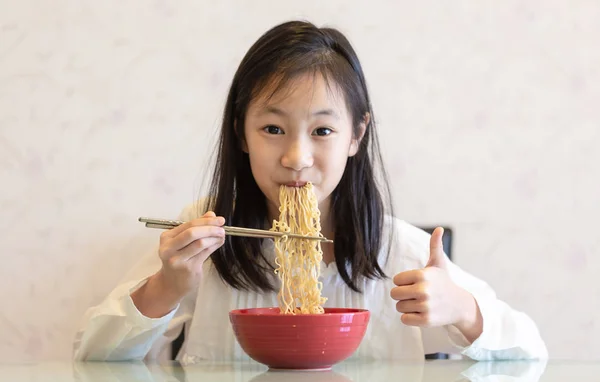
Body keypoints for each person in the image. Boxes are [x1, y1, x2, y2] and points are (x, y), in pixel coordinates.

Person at [73, 20, 547, 363]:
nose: (296, 157)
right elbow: (93, 357)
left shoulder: (400, 250)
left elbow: (530, 352)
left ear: (356, 136)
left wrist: (462, 311)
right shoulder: (205, 233)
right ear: (241, 133)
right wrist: (166, 288)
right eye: (273, 128)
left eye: (322, 131)